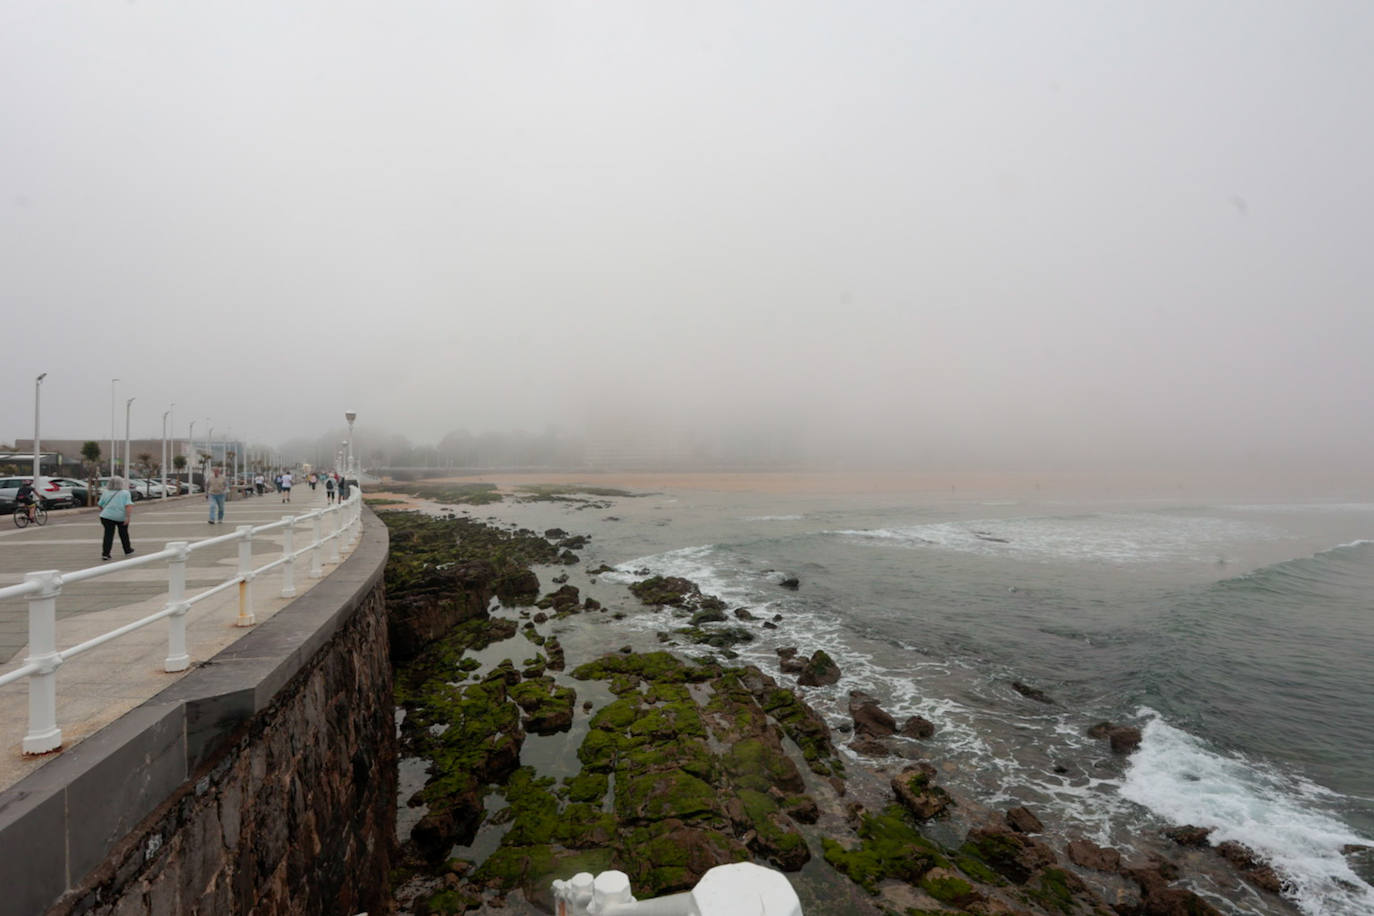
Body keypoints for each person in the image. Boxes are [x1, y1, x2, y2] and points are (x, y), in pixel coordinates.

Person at [97, 476, 134, 560]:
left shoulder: (105, 492)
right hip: (121, 517)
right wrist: (127, 517)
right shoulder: (125, 493)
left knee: (108, 535)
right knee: (124, 533)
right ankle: (127, 549)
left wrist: (106, 511)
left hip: (106, 517)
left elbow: (100, 505)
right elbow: (128, 506)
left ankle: (106, 554)